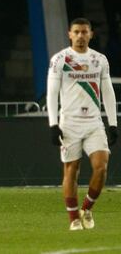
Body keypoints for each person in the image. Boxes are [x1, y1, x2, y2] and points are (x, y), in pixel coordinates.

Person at [47, 18, 118, 231]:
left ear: (91, 34)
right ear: (69, 34)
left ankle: (87, 208)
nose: (80, 36)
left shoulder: (99, 60)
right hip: (69, 123)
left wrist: (112, 123)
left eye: (84, 32)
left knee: (101, 166)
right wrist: (53, 124)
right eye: (76, 32)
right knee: (72, 169)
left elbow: (107, 91)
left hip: (94, 123)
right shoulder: (60, 59)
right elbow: (51, 93)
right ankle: (73, 219)